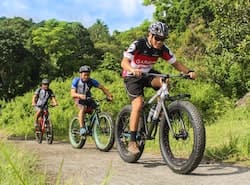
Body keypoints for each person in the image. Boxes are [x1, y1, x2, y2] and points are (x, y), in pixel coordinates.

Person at [121, 21, 196, 154]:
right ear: (150, 35)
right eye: (157, 38)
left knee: (165, 81)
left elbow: (176, 63)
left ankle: (156, 109)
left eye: (163, 39)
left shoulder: (162, 49)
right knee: (138, 105)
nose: (160, 41)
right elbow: (124, 62)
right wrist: (132, 69)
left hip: (148, 74)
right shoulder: (138, 44)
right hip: (132, 76)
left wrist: (188, 72)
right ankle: (132, 141)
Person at [71, 65, 113, 135]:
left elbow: (102, 87)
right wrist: (80, 95)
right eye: (85, 75)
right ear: (80, 74)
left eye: (88, 75)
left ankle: (92, 126)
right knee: (83, 108)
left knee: (96, 108)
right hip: (78, 98)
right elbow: (72, 94)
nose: (86, 77)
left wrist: (109, 95)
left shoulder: (91, 81)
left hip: (88, 97)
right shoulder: (76, 81)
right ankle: (82, 128)